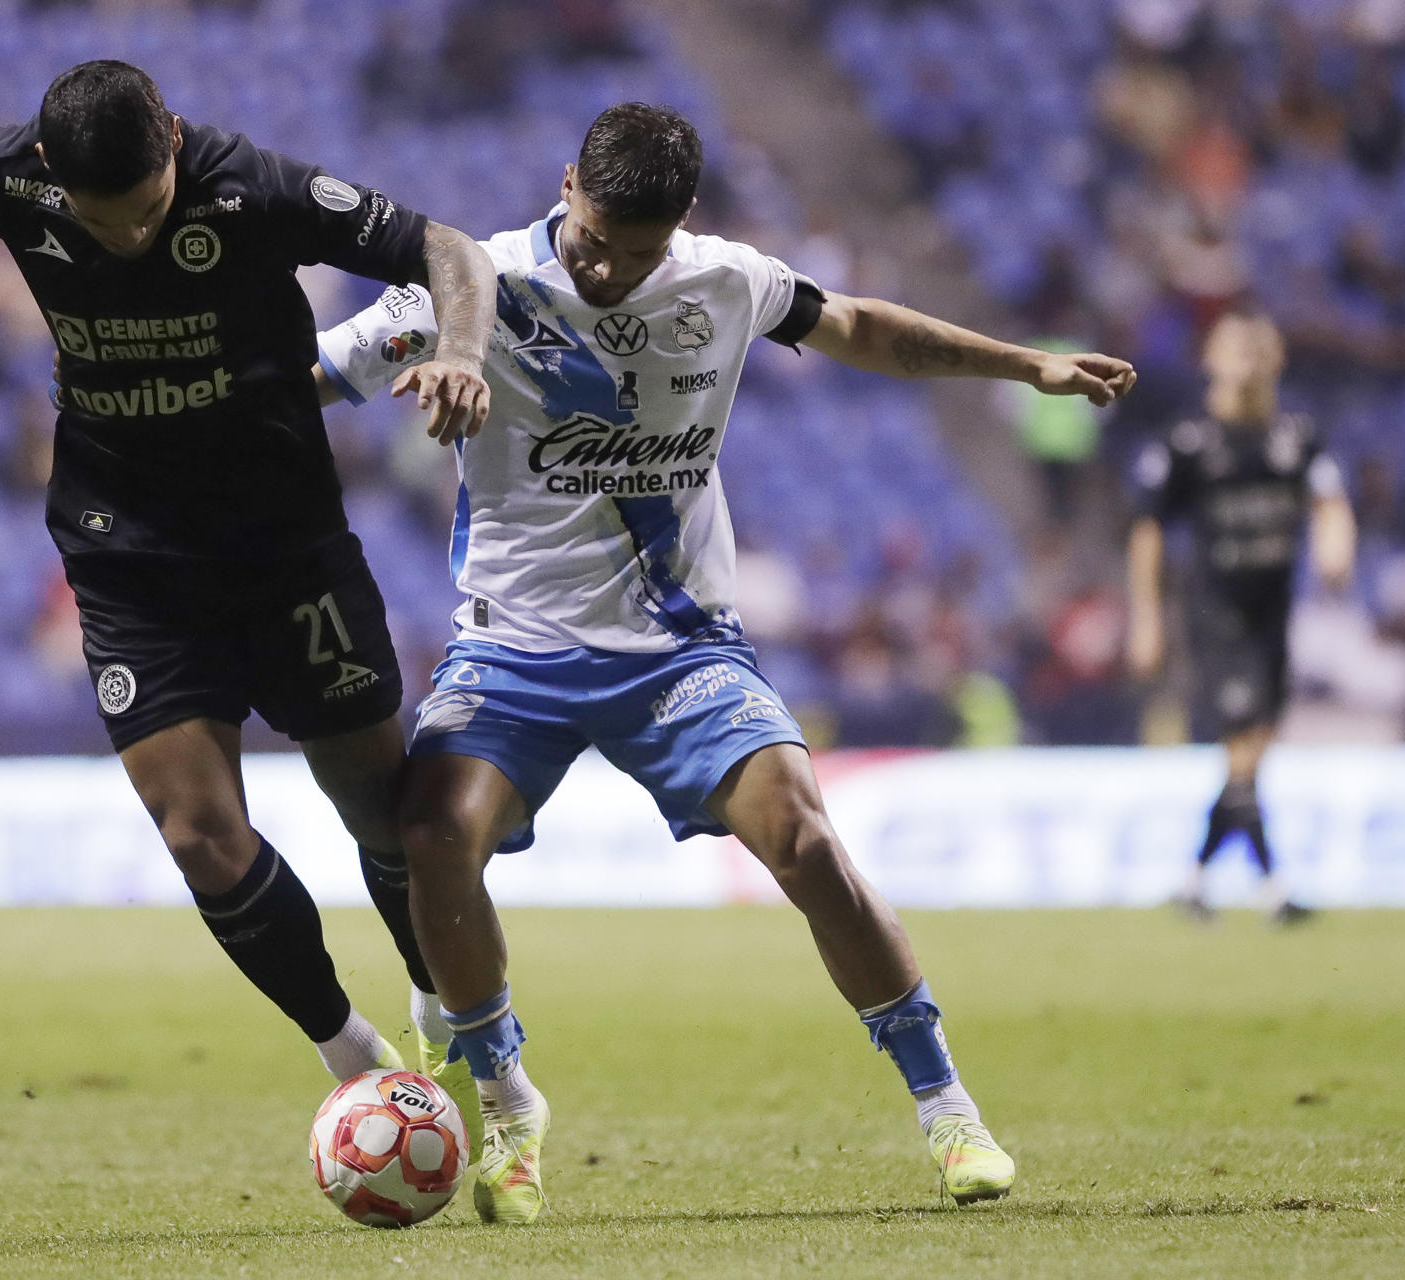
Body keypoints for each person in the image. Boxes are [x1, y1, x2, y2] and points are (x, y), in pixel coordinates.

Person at [315, 102, 1136, 1222]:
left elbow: (860, 326)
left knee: (805, 838)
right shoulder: (475, 286)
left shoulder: (726, 282)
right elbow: (316, 377)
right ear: (567, 184)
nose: (608, 269)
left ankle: (949, 1110)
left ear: (683, 222)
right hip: (514, 648)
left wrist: (1025, 366)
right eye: (594, 239)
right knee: (431, 838)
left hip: (679, 650)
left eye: (636, 251)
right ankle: (507, 1104)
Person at [0, 62, 497, 1090]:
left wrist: (465, 354)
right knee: (198, 834)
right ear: (49, 169)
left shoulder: (252, 187)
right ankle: (354, 1059)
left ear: (171, 138)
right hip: (128, 553)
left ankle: (446, 1014)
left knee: (382, 816)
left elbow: (448, 249)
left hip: (286, 544)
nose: (129, 236)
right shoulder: (7, 174)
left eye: (148, 209)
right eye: (103, 219)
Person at [1127, 311, 1355, 924]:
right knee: (1244, 746)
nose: (1248, 365)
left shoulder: (1297, 438)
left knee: (1250, 752)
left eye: (1259, 353)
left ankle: (1196, 877)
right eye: (1237, 352)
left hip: (1273, 615)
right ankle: (1273, 884)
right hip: (1216, 614)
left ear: (1277, 362)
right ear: (1212, 361)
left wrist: (1336, 547)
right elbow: (1148, 531)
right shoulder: (1188, 442)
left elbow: (1330, 500)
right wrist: (1146, 619)